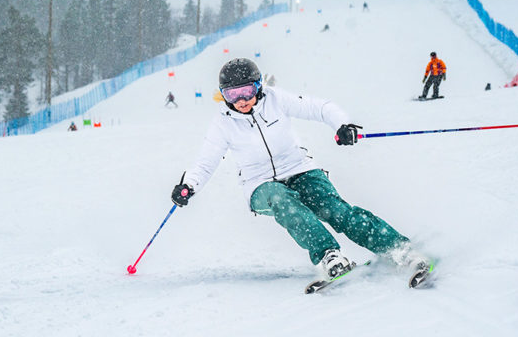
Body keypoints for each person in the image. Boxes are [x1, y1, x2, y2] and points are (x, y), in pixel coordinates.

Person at [170, 58, 429, 281]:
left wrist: (342, 125)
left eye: (247, 91)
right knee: (283, 200)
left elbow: (320, 107)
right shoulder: (222, 123)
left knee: (335, 209)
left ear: (258, 86)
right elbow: (205, 162)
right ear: (223, 95)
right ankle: (329, 255)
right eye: (232, 94)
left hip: (300, 169)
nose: (241, 100)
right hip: (259, 185)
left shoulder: (275, 99)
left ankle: (399, 249)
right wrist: (188, 186)